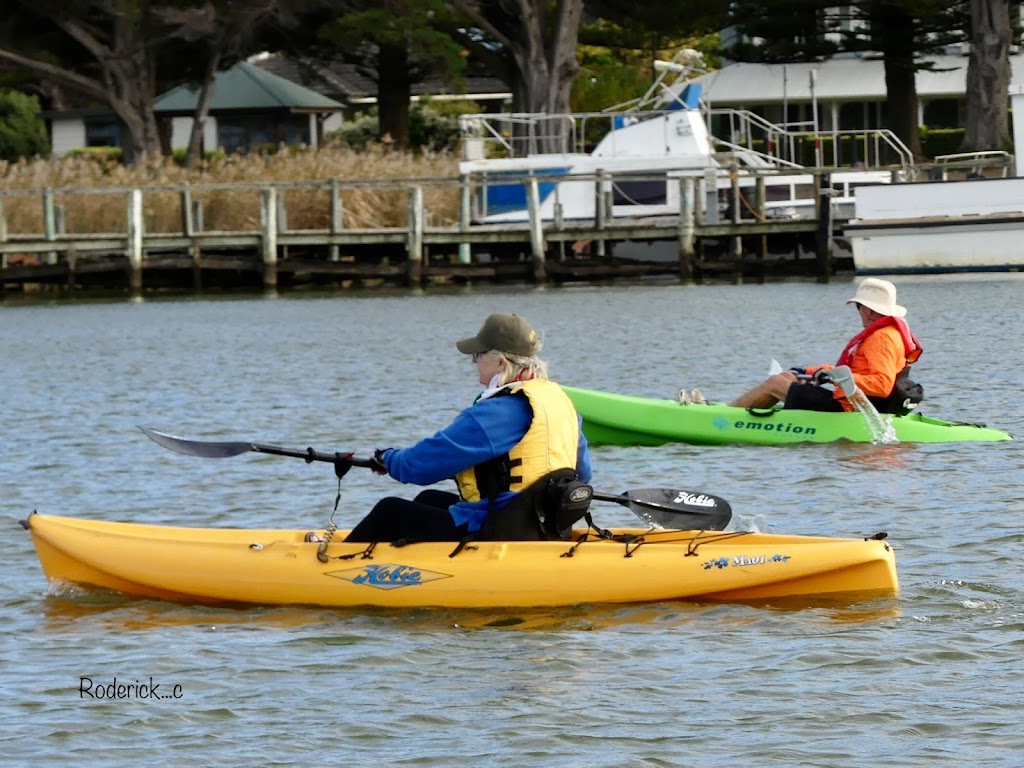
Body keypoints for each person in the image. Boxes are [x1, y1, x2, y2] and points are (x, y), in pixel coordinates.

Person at [344, 312, 593, 543]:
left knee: (389, 511)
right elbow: (584, 473)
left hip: (502, 528)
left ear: (500, 361)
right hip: (542, 523)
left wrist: (387, 458)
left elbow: (421, 465)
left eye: (478, 355)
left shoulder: (498, 412)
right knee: (429, 500)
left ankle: (333, 570)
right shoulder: (559, 402)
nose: (474, 362)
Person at [729, 278, 923, 414]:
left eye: (858, 307)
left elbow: (881, 385)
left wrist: (832, 376)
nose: (859, 312)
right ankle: (743, 415)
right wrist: (808, 371)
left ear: (868, 310)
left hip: (850, 407)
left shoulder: (880, 338)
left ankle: (725, 416)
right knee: (787, 377)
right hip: (853, 401)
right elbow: (854, 373)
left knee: (775, 384)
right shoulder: (889, 333)